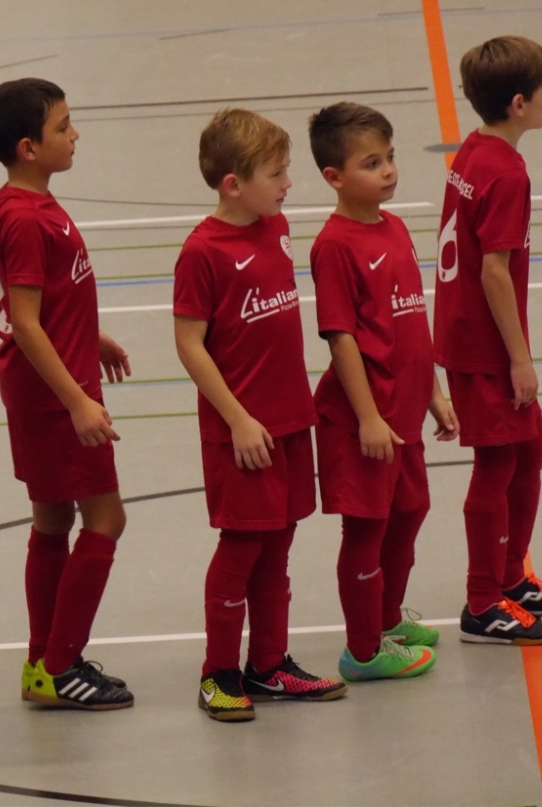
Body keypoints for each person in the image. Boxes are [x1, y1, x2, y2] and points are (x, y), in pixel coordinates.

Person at [173, 108, 348, 722]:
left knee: (279, 545)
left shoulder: (276, 227)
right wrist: (238, 419)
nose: (288, 183)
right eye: (276, 174)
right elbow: (189, 344)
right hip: (242, 431)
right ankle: (218, 673)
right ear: (233, 184)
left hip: (290, 420)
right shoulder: (202, 252)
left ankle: (269, 664)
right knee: (242, 546)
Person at [0, 78, 134, 710]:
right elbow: (24, 321)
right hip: (52, 395)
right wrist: (77, 401)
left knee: (52, 519)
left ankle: (43, 662)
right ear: (29, 147)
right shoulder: (26, 216)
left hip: (44, 382)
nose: (75, 135)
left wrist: (90, 334)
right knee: (106, 518)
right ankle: (61, 665)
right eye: (63, 127)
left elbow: (47, 299)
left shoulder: (23, 201)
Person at [433, 36, 542, 644]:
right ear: (519, 102)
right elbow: (495, 271)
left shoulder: (474, 150)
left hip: (468, 331)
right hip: (484, 344)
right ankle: (481, 602)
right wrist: (521, 360)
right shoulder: (507, 172)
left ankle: (511, 575)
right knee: (496, 463)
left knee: (534, 442)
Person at [307, 102, 458, 682]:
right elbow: (340, 337)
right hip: (365, 422)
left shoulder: (393, 228)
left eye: (390, 157)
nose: (389, 170)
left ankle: (388, 617)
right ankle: (364, 650)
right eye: (372, 163)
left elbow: (411, 320)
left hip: (406, 411)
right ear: (334, 177)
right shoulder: (335, 245)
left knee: (411, 510)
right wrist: (368, 416)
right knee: (367, 529)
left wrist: (434, 393)